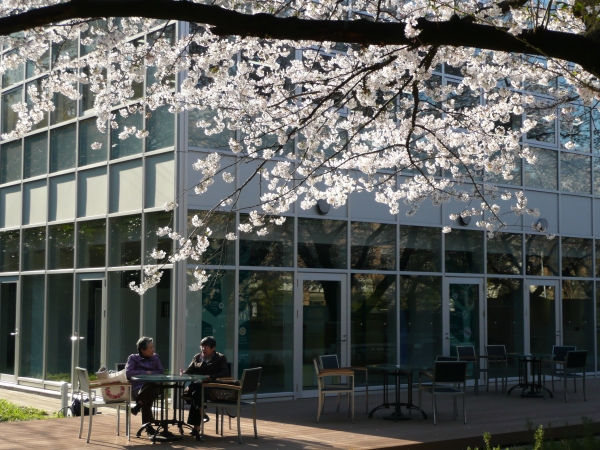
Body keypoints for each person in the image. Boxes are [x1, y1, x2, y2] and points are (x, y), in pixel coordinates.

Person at [183, 336, 229, 437]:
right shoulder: (197, 357)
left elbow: (225, 373)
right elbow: (190, 370)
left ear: (213, 348)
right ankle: (201, 414)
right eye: (202, 346)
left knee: (197, 392)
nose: (203, 349)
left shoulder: (220, 358)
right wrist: (184, 373)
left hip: (211, 387)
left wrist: (210, 377)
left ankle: (197, 426)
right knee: (197, 391)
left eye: (206, 347)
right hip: (197, 387)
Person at [125, 336, 164, 436]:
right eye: (150, 348)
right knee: (148, 398)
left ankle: (138, 405)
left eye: (153, 347)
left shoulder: (156, 357)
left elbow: (161, 372)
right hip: (137, 389)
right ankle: (149, 427)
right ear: (142, 350)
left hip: (154, 387)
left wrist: (150, 375)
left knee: (151, 383)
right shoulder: (133, 358)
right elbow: (128, 373)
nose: (153, 350)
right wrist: (146, 373)